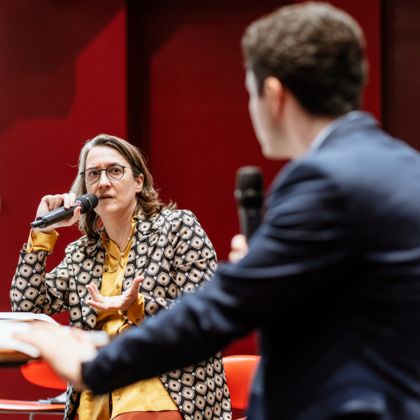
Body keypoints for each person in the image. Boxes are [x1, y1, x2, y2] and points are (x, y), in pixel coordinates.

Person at [14, 2, 420, 419]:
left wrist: (92, 365)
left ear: (274, 95)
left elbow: (216, 309)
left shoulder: (321, 182)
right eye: (92, 174)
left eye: (248, 93)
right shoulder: (406, 168)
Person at [10, 134, 232, 420]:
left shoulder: (178, 228)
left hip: (166, 384)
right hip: (97, 395)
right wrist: (42, 235)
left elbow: (207, 315)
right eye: (93, 174)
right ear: (85, 189)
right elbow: (27, 307)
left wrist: (138, 306)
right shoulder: (82, 253)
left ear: (138, 182)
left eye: (115, 171)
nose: (103, 182)